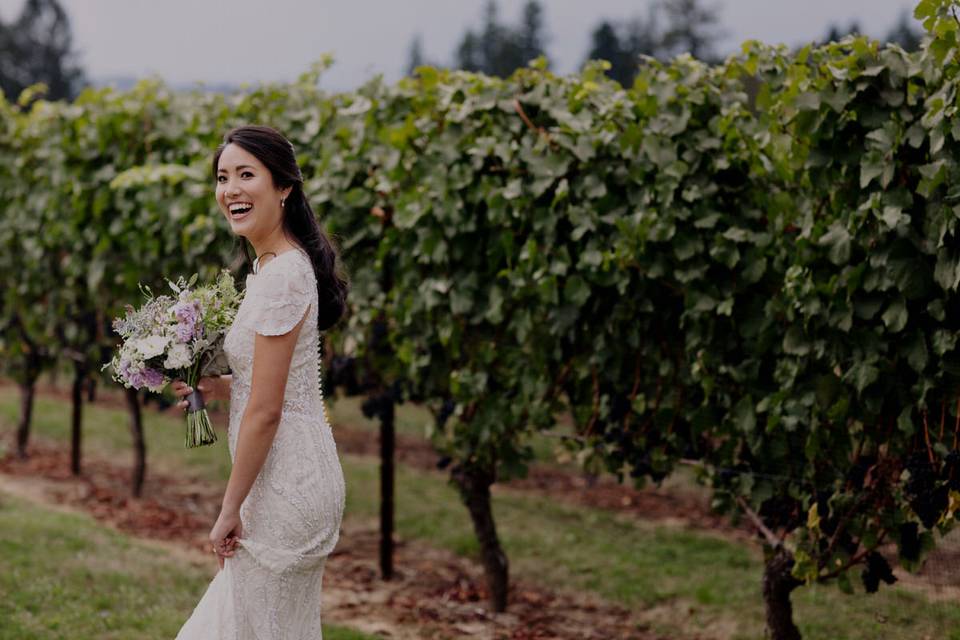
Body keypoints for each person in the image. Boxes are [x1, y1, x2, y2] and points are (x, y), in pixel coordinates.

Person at [172, 124, 349, 639]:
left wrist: (229, 509)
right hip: (285, 474)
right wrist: (212, 387)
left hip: (286, 485)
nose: (231, 189)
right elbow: (271, 382)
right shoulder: (270, 268)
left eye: (247, 175)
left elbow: (268, 410)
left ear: (284, 187)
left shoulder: (283, 275)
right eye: (223, 177)